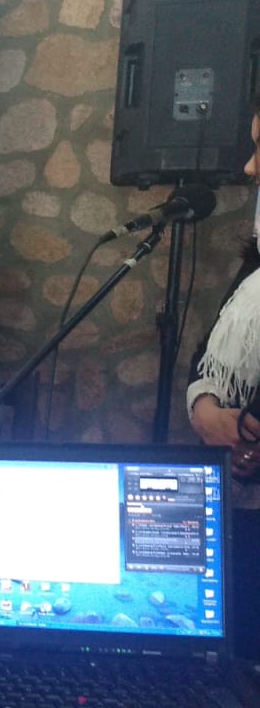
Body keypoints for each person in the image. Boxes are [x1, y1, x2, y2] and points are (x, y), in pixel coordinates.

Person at [185, 94, 260, 663]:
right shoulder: (255, 264)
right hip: (241, 502)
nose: (250, 168)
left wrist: (250, 435)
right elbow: (206, 353)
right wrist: (205, 407)